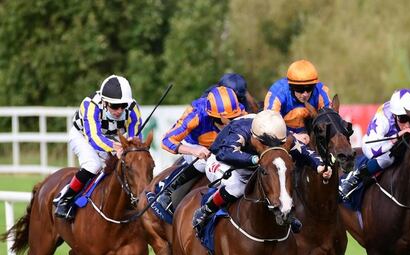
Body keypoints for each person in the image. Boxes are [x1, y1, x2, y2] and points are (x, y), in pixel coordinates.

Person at [192, 110, 332, 234]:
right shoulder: (240, 131)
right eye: (267, 144)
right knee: (237, 186)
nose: (272, 147)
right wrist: (254, 159)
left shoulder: (280, 133)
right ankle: (206, 210)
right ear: (255, 138)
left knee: (278, 175)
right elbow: (225, 153)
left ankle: (284, 209)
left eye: (277, 144)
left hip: (256, 162)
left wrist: (320, 166)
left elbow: (304, 151)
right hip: (221, 161)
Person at [55, 75, 142, 220]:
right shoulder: (91, 105)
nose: (119, 110)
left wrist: (131, 146)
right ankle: (64, 199)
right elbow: (94, 138)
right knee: (94, 165)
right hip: (83, 135)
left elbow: (134, 137)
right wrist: (116, 148)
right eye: (114, 106)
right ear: (104, 102)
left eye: (123, 105)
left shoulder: (133, 109)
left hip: (112, 138)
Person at [155, 86, 247, 214]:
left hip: (222, 147)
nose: (232, 121)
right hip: (195, 145)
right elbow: (166, 141)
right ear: (213, 116)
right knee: (204, 160)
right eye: (228, 119)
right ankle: (168, 189)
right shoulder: (195, 113)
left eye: (234, 116)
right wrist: (194, 150)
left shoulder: (240, 112)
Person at [339, 88, 410, 200]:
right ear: (394, 115)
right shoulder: (383, 118)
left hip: (396, 143)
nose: (408, 125)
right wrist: (396, 137)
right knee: (389, 158)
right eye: (403, 119)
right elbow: (370, 150)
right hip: (375, 144)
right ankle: (354, 178)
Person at [264, 59, 333, 145]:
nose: (305, 94)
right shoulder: (277, 92)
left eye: (309, 88)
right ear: (291, 86)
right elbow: (269, 123)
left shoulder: (321, 91)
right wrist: (293, 136)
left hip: (311, 136)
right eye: (300, 89)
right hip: (283, 136)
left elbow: (330, 121)